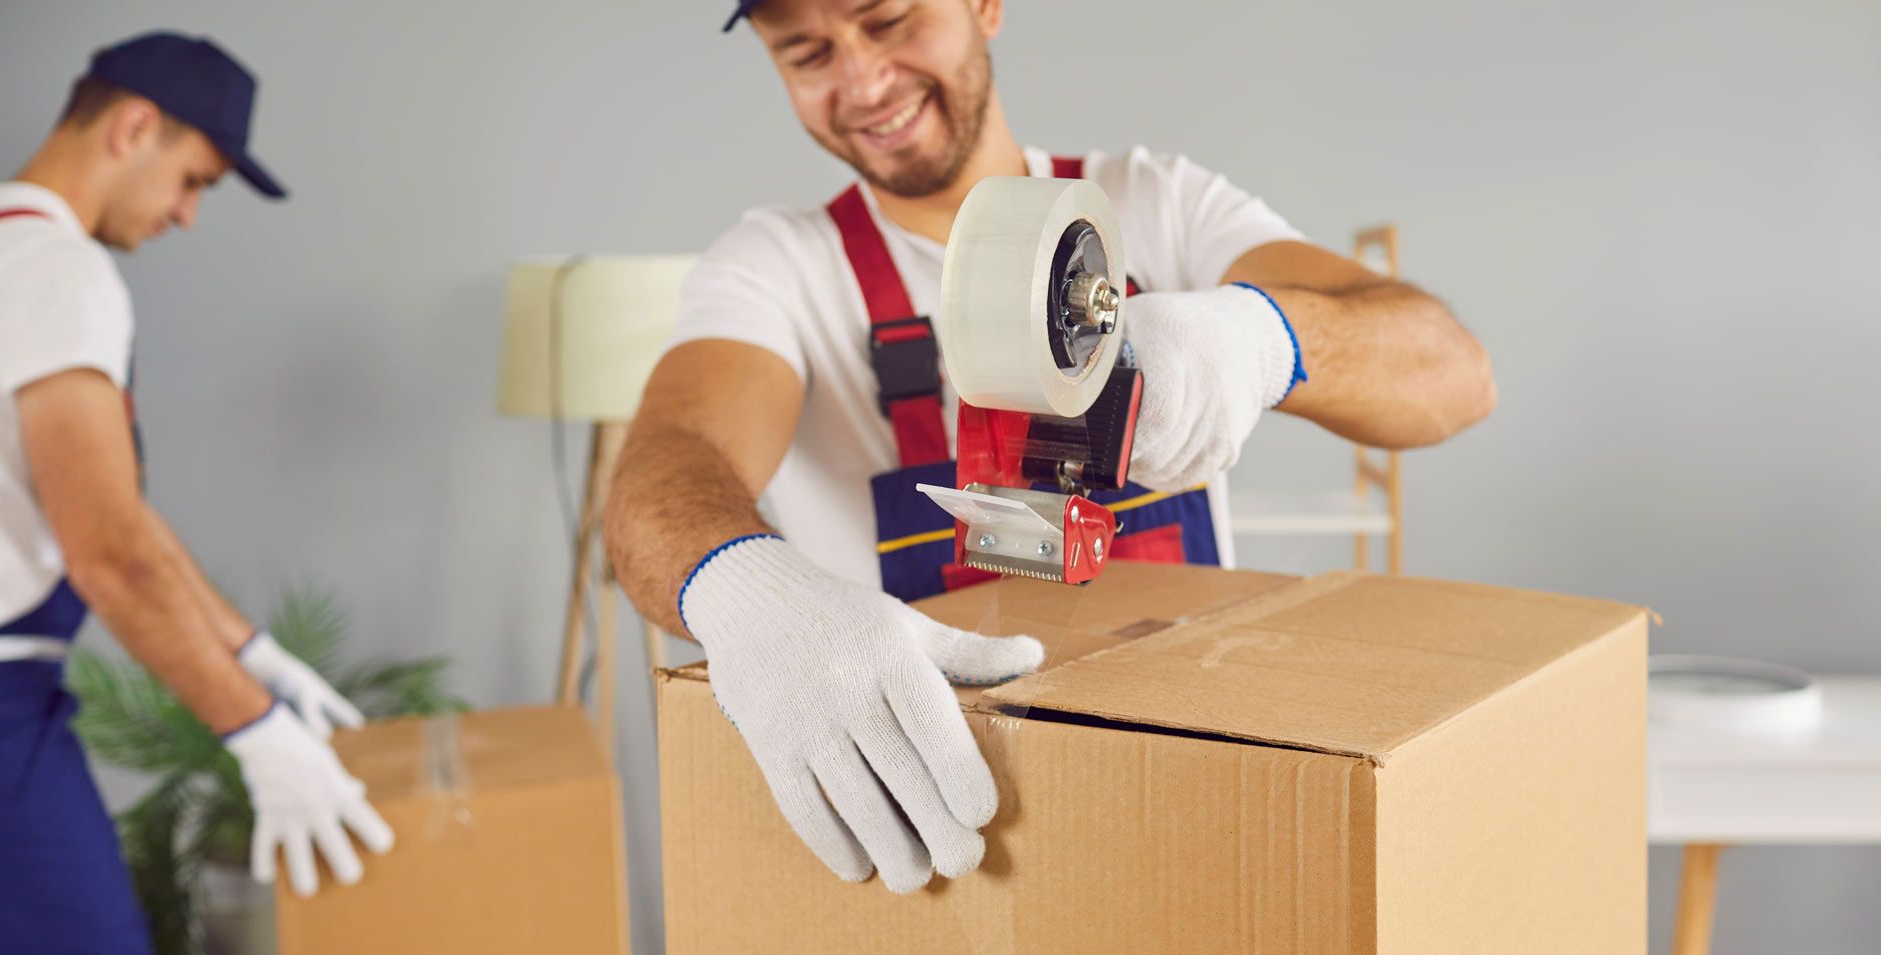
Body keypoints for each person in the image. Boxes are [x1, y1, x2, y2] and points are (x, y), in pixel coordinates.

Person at [606, 0, 1496, 897]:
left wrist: (1267, 338)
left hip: (1203, 792)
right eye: (806, 53)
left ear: (985, 7)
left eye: (888, 21)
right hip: (944, 838)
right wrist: (748, 594)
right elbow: (668, 461)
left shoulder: (1162, 204)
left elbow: (1454, 376)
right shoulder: (775, 269)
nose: (863, 83)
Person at [0, 32, 390, 955]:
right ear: (132, 127)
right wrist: (253, 731)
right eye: (195, 179)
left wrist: (247, 645)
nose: (189, 216)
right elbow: (100, 546)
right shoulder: (58, 272)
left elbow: (117, 521)